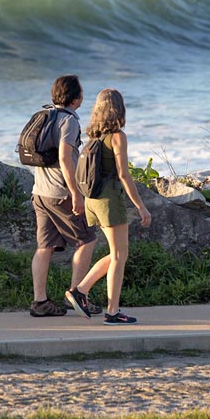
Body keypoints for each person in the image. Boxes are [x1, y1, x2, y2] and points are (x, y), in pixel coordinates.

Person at [65, 88, 152, 325]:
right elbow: (124, 175)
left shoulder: (94, 137)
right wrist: (141, 207)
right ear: (119, 109)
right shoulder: (117, 136)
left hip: (92, 200)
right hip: (108, 201)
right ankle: (112, 311)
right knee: (120, 255)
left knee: (117, 254)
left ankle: (80, 290)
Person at [28, 74, 99, 317]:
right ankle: (76, 296)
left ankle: (40, 302)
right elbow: (65, 159)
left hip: (40, 192)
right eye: (81, 93)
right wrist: (75, 193)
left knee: (44, 246)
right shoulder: (68, 121)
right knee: (87, 240)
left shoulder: (45, 115)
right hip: (60, 193)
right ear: (76, 98)